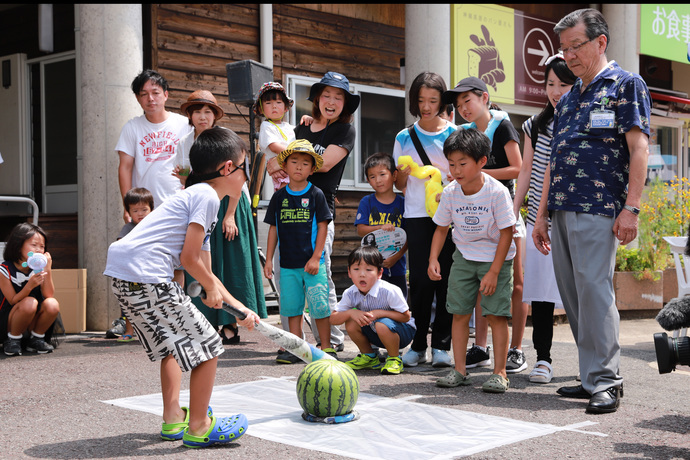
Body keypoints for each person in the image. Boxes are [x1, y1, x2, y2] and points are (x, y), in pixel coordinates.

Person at [104, 127, 258, 448]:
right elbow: (190, 260)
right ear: (228, 168)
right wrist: (210, 288)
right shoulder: (205, 197)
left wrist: (239, 308)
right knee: (211, 347)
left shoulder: (199, 197)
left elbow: (205, 270)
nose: (247, 177)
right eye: (246, 168)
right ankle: (200, 425)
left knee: (171, 347)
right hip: (147, 275)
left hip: (124, 274)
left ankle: (174, 417)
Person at [533, 8, 650, 414]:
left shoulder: (625, 85)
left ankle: (607, 381)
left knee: (595, 294)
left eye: (575, 46)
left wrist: (631, 209)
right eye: (563, 49)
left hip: (599, 208)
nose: (568, 56)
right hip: (562, 209)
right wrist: (542, 213)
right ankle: (589, 378)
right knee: (575, 296)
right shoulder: (569, 98)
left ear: (600, 43)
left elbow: (638, 149)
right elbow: (554, 159)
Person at [443, 76, 525, 374]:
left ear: (485, 98)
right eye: (459, 104)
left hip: (505, 209)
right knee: (478, 287)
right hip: (472, 213)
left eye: (468, 101)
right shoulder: (462, 132)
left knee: (513, 283)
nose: (464, 108)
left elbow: (517, 168)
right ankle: (481, 348)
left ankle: (516, 350)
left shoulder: (502, 125)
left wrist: (480, 172)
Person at [176, 90, 267, 344]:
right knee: (205, 264)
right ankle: (203, 321)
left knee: (231, 263)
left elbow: (238, 183)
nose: (202, 116)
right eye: (197, 111)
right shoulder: (184, 144)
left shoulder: (228, 141)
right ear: (190, 115)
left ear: (215, 116)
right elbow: (189, 182)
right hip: (204, 199)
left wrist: (229, 217)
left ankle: (230, 321)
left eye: (208, 111)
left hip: (230, 203)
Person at [429, 127, 516, 393]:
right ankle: (459, 371)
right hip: (464, 256)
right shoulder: (452, 191)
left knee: (496, 314)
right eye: (452, 164)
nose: (456, 170)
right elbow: (442, 228)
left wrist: (493, 272)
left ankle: (499, 372)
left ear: (481, 162)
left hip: (495, 258)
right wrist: (433, 258)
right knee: (458, 313)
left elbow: (507, 233)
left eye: (462, 164)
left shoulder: (497, 192)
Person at [513, 53, 576, 384]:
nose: (555, 91)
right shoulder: (534, 126)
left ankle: (593, 361)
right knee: (539, 293)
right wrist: (515, 208)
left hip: (574, 217)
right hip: (538, 222)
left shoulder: (581, 121)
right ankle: (544, 359)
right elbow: (526, 170)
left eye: (563, 84)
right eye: (550, 84)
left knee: (580, 292)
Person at [113, 69, 192, 308]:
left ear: (166, 95)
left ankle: (177, 312)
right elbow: (125, 168)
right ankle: (152, 312)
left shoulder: (183, 124)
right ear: (138, 98)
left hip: (177, 203)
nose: (150, 99)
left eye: (155, 92)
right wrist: (127, 205)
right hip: (144, 208)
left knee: (177, 262)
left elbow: (191, 162)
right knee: (144, 261)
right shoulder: (132, 127)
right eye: (144, 94)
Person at [294, 71, 361, 353]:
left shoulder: (344, 131)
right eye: (327, 95)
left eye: (339, 97)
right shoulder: (300, 129)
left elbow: (322, 164)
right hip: (291, 209)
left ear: (345, 103)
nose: (332, 101)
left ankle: (332, 340)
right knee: (292, 277)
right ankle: (294, 342)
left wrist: (288, 158)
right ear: (317, 99)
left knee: (320, 276)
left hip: (320, 213)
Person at [393, 71, 456, 369]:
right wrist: (401, 175)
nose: (427, 106)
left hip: (449, 216)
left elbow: (462, 174)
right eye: (421, 100)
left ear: (442, 101)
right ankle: (418, 345)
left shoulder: (454, 133)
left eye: (433, 100)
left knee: (445, 279)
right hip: (416, 216)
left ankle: (442, 346)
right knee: (418, 281)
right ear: (413, 101)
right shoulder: (404, 136)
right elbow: (399, 186)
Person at [263, 139, 333, 364]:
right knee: (292, 308)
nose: (299, 167)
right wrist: (268, 261)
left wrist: (316, 257)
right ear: (285, 166)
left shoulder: (316, 194)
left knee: (319, 307)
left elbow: (323, 226)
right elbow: (273, 229)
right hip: (287, 264)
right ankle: (296, 347)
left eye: (305, 163)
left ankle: (326, 346)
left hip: (313, 263)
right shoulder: (279, 197)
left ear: (312, 169)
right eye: (294, 161)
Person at [330, 246, 415, 375]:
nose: (362, 274)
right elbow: (333, 319)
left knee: (381, 323)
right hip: (375, 332)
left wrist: (379, 313)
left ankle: (394, 358)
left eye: (369, 269)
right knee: (351, 322)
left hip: (402, 333)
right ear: (349, 272)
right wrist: (350, 312)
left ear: (380, 273)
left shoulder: (389, 290)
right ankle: (369, 357)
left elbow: (406, 317)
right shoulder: (350, 292)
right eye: (356, 269)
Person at [0, 223, 60, 356]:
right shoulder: (4, 270)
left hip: (33, 318)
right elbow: (12, 300)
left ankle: (36, 338)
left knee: (52, 303)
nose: (39, 250)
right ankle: (12, 340)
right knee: (29, 302)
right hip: (10, 318)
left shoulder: (38, 269)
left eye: (42, 246)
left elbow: (48, 294)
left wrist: (47, 269)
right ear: (18, 245)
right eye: (34, 245)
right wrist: (29, 286)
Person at [355, 152, 408, 297]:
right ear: (368, 180)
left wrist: (396, 257)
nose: (378, 180)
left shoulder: (403, 203)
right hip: (370, 267)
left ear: (394, 175)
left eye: (382, 174)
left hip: (397, 267)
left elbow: (408, 236)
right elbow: (361, 230)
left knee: (398, 303)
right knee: (372, 303)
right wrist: (380, 227)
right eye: (372, 177)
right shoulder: (367, 201)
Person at [107, 187, 155, 343]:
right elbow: (121, 246)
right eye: (135, 210)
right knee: (129, 303)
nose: (140, 213)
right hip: (132, 275)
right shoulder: (128, 228)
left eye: (144, 209)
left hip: (151, 273)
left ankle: (154, 332)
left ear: (151, 209)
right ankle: (129, 330)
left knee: (153, 302)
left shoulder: (155, 227)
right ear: (128, 212)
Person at [254, 82, 296, 191]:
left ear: (286, 107)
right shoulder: (266, 126)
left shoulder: (290, 127)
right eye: (268, 103)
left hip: (295, 167)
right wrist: (297, 154)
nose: (274, 106)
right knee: (285, 196)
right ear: (260, 108)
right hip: (282, 171)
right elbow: (274, 146)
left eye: (278, 102)